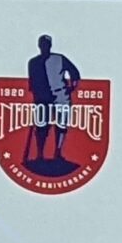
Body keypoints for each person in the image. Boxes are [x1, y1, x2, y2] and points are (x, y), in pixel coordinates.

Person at [25, 34, 81, 168]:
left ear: (50, 45)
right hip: (42, 98)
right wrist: (37, 95)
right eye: (43, 44)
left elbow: (75, 73)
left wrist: (71, 88)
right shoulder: (33, 62)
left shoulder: (60, 59)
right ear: (39, 46)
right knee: (41, 127)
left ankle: (58, 153)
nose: (45, 46)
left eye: (47, 44)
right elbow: (32, 82)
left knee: (62, 125)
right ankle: (40, 155)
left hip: (61, 96)